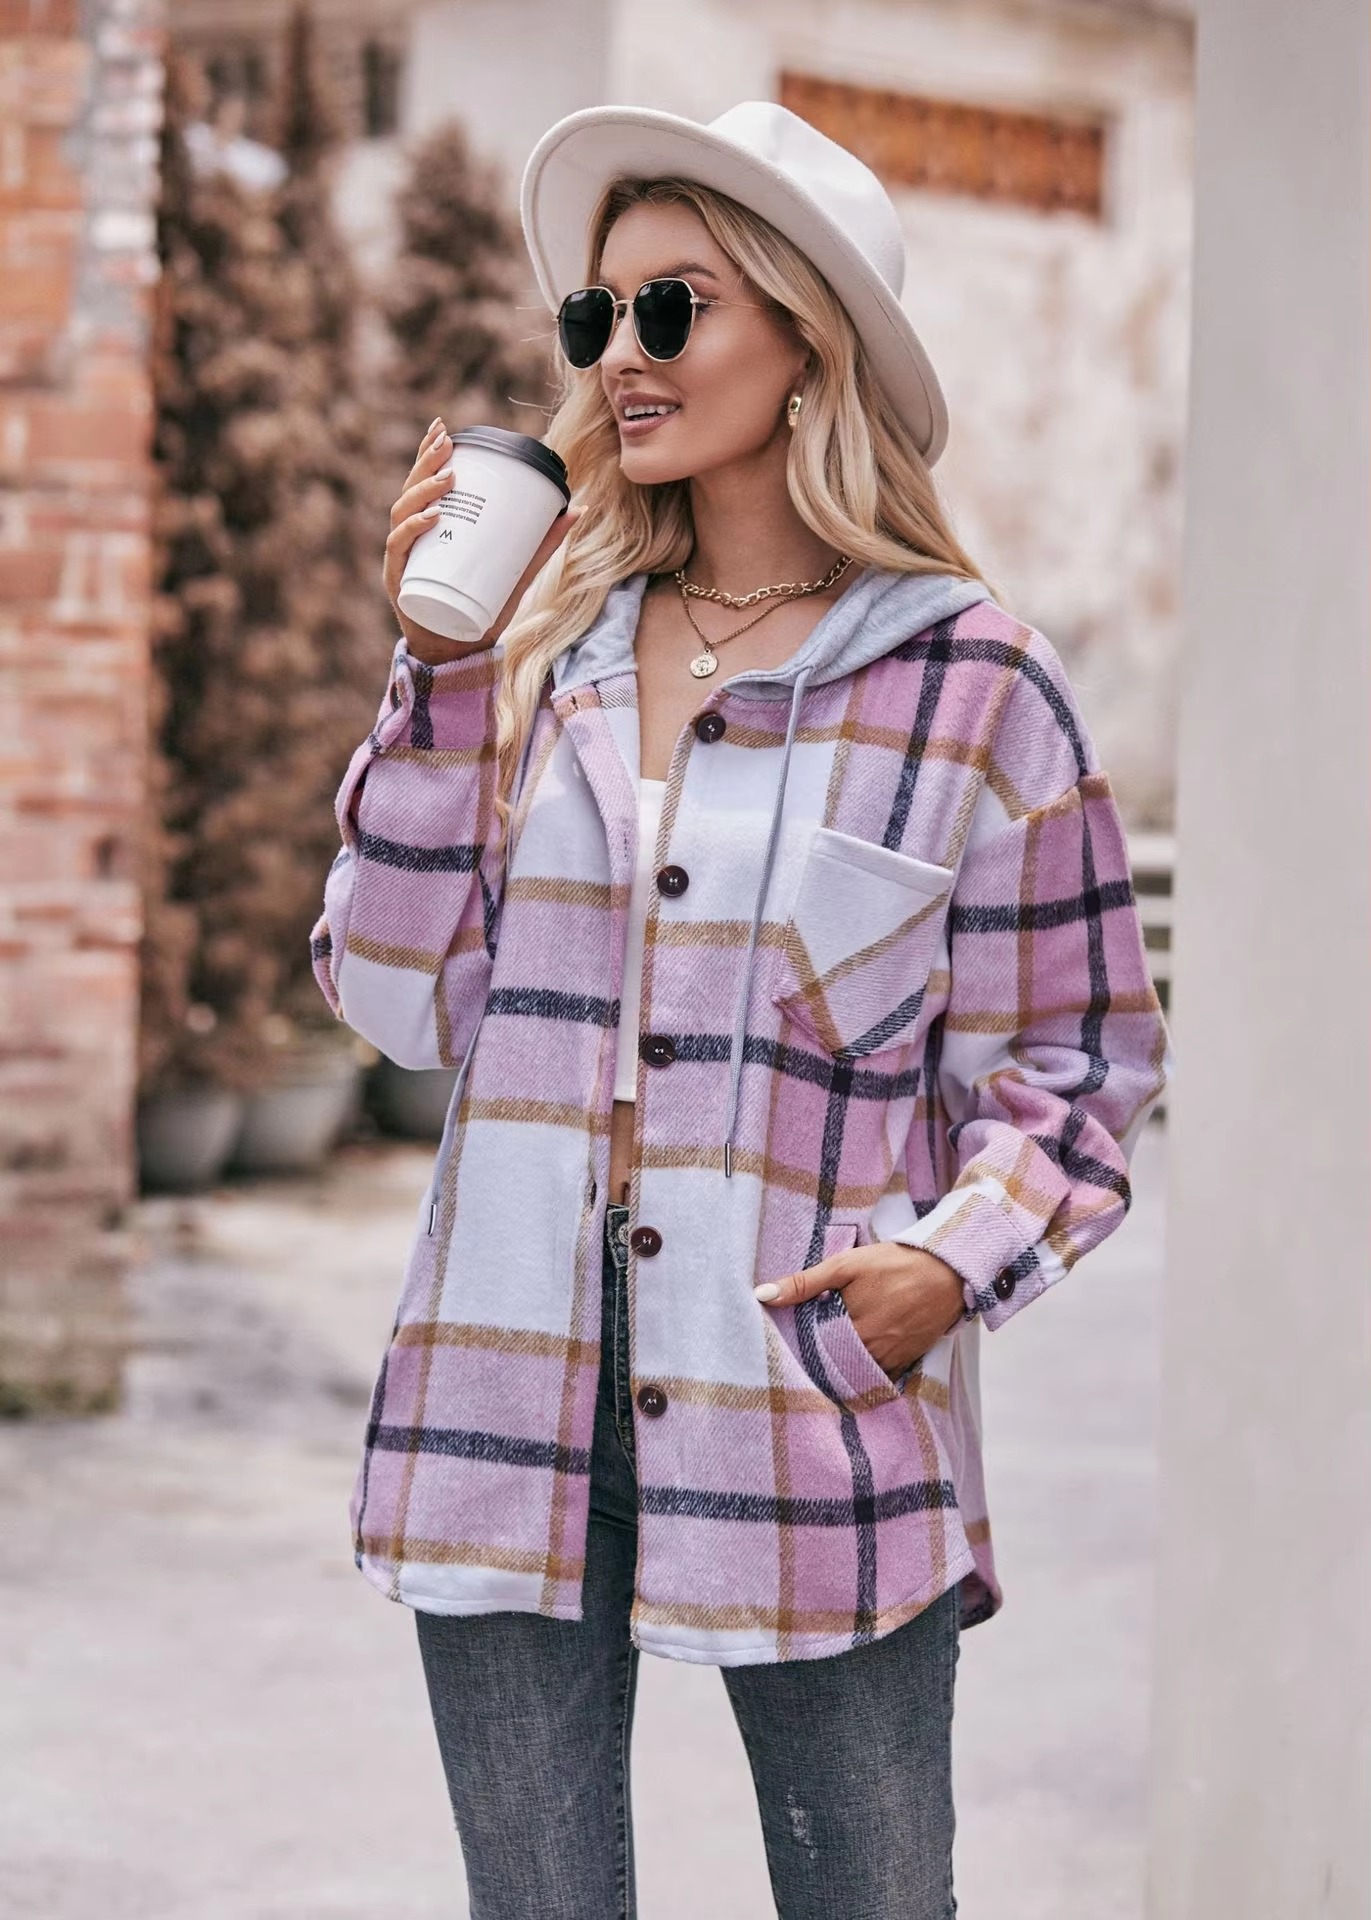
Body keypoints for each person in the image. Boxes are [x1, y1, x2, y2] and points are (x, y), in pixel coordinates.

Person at [311, 100, 1173, 1920]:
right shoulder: (533, 653)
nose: (618, 357)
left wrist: (947, 1263)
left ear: (807, 339)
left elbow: (1084, 1057)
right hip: (507, 1385)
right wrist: (441, 671)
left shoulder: (973, 685)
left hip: (809, 1394)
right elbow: (396, 999)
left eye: (671, 309)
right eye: (596, 316)